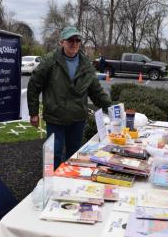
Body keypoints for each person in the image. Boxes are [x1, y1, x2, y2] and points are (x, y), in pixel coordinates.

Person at [27, 26, 111, 170]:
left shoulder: (86, 64)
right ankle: (52, 183)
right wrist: (33, 112)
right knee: (54, 153)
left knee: (75, 154)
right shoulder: (50, 61)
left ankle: (68, 182)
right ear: (62, 42)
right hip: (55, 117)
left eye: (77, 40)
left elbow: (96, 91)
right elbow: (34, 85)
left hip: (77, 118)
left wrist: (111, 109)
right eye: (70, 40)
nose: (74, 43)